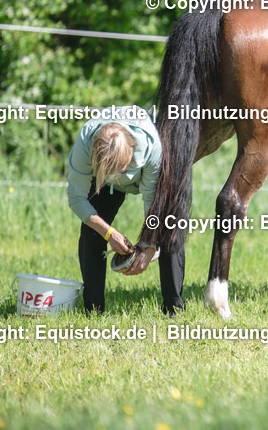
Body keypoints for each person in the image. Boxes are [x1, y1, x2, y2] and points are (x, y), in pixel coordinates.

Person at [66, 106, 184, 315]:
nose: (118, 175)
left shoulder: (151, 144)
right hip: (104, 182)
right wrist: (109, 233)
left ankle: (173, 308)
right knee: (92, 231)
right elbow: (76, 199)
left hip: (148, 171)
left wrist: (149, 246)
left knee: (169, 226)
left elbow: (151, 201)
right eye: (112, 171)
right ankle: (93, 310)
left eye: (120, 169)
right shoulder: (84, 144)